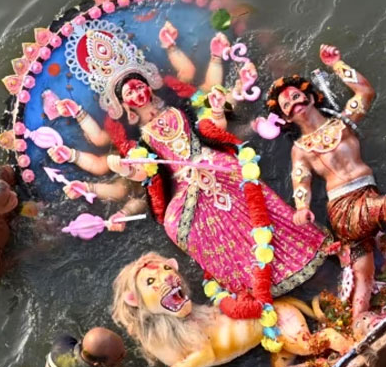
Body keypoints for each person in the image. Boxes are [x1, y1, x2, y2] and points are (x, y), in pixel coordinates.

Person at [49, 23, 332, 310]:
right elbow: (145, 173)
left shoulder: (179, 104)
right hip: (183, 184)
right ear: (124, 105)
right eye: (129, 94)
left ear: (147, 83)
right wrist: (124, 167)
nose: (137, 94)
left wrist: (223, 102)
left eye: (138, 86)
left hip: (214, 163)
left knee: (246, 187)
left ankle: (304, 253)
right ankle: (245, 284)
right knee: (175, 225)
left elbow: (212, 125)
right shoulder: (136, 137)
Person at [266, 44, 386, 330]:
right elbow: (300, 180)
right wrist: (301, 208)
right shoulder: (300, 148)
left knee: (363, 265)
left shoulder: (343, 122)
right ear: (287, 117)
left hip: (366, 195)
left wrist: (337, 64)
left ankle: (359, 319)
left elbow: (365, 93)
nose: (292, 102)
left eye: (294, 95)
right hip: (342, 206)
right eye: (285, 104)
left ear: (309, 97)